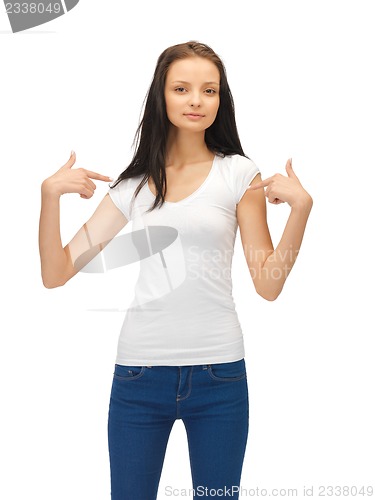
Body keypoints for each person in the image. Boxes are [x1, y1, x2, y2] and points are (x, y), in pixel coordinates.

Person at [39, 41, 313, 500]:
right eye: (182, 88)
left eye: (209, 90)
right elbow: (56, 272)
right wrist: (49, 197)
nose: (196, 100)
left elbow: (268, 284)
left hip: (220, 375)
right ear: (161, 96)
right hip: (139, 376)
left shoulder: (239, 175)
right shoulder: (134, 185)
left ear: (220, 100)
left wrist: (302, 209)